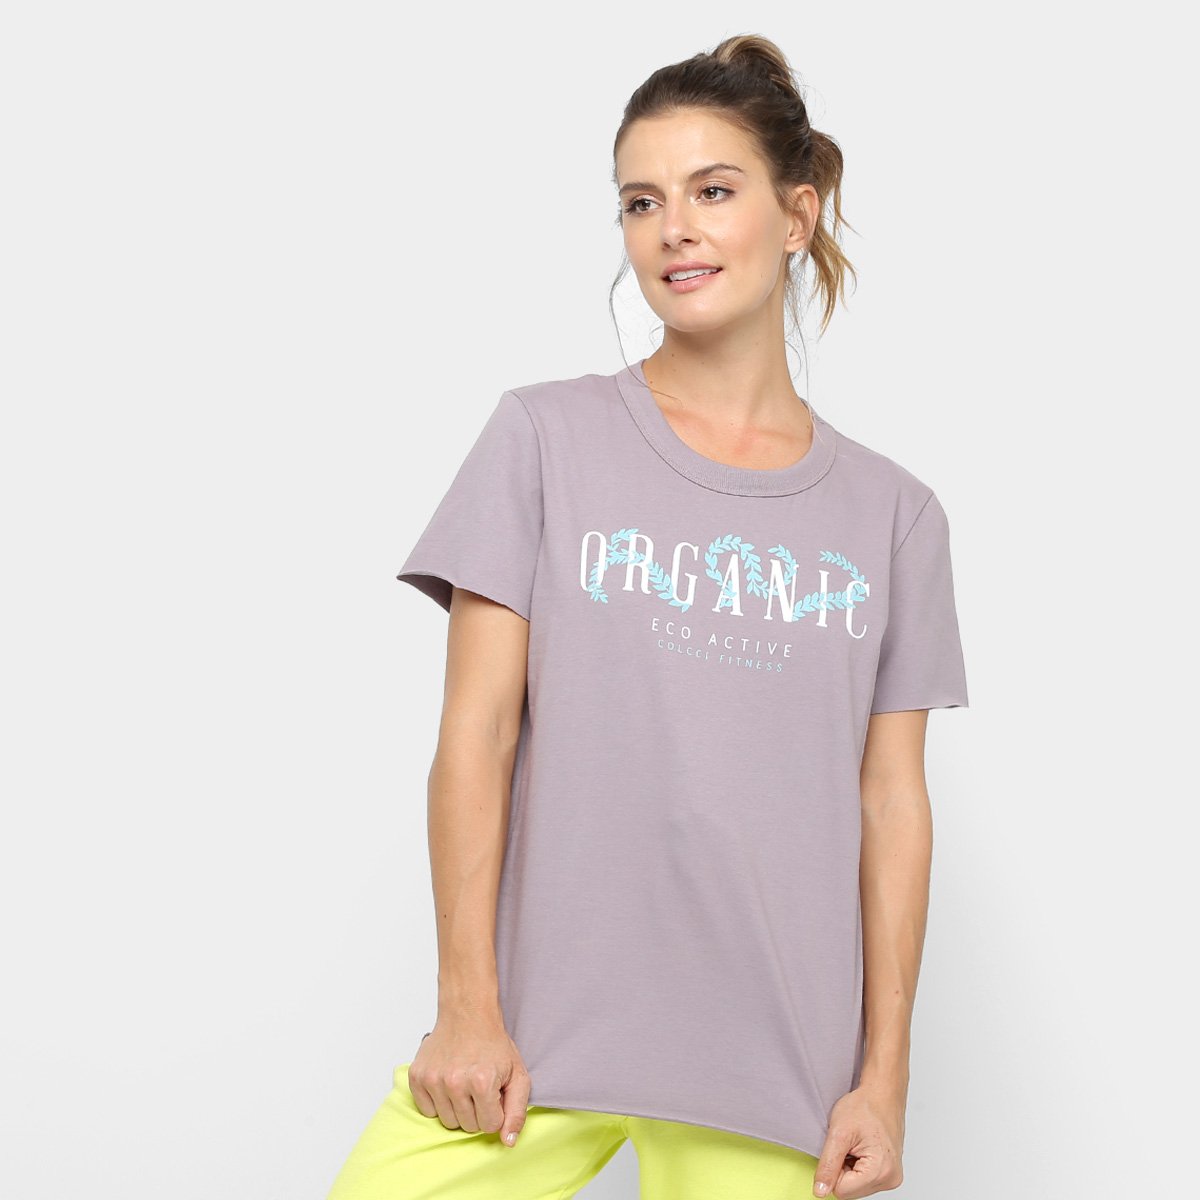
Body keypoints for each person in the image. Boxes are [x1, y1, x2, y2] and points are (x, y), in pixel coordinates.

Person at [326, 32, 969, 1200]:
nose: (673, 227)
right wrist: (465, 1006)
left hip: (774, 1074)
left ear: (796, 216)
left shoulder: (894, 518)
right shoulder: (543, 439)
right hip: (528, 1049)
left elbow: (892, 805)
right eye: (641, 201)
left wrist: (884, 1081)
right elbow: (478, 731)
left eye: (712, 191)